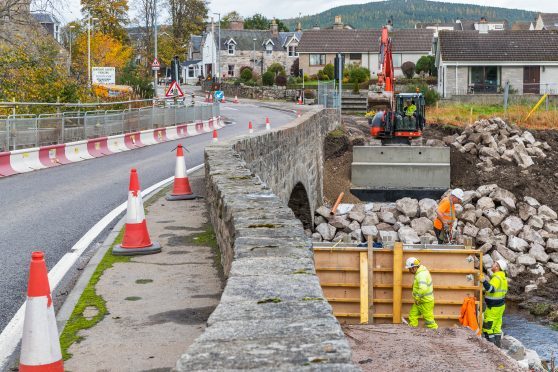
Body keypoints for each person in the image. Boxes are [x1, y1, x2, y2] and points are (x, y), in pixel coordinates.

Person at [481, 260, 508, 348]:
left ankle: (491, 348)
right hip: (500, 306)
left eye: (494, 264)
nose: (492, 265)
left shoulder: (496, 278)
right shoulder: (503, 277)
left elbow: (491, 290)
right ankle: (498, 346)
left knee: (487, 327)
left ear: (497, 267)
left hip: (493, 307)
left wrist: (483, 281)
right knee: (496, 327)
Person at [405, 257, 438, 329]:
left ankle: (435, 332)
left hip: (425, 302)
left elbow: (423, 288)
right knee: (413, 315)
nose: (409, 271)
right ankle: (412, 331)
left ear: (414, 267)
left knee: (429, 320)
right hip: (420, 301)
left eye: (409, 269)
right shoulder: (420, 272)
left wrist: (417, 298)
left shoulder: (421, 275)